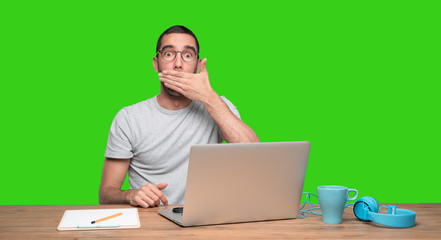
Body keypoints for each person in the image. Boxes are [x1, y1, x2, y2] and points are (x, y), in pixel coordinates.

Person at [99, 25, 259, 208]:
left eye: (188, 55)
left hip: (207, 220)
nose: (178, 64)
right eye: (168, 54)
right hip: (151, 225)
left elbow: (254, 157)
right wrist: (131, 195)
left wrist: (208, 97)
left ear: (198, 65)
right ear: (155, 63)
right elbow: (106, 193)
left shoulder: (218, 105)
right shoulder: (128, 118)